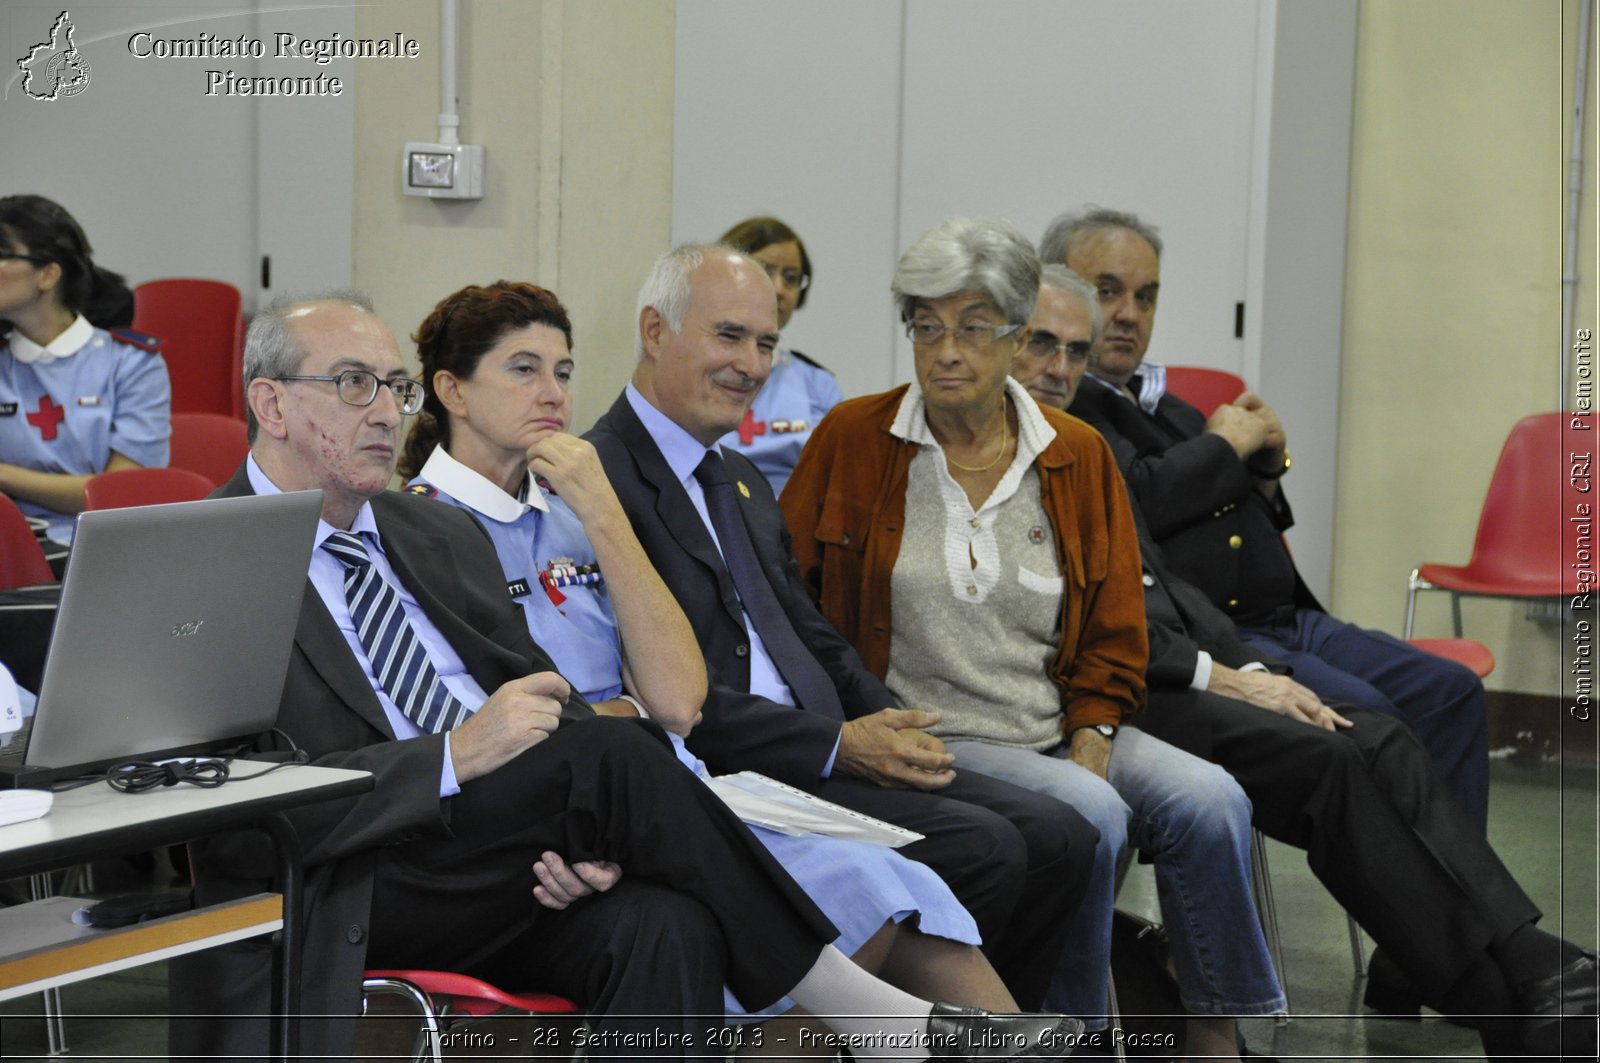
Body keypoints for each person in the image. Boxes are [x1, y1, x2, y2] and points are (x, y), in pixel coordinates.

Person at [173, 291, 1081, 1062]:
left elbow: (546, 700)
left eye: (393, 387)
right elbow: (232, 814)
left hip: (509, 842)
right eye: (353, 385)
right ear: (272, 403)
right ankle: (870, 1013)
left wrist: (585, 839)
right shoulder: (204, 562)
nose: (384, 410)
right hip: (365, 867)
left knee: (661, 920)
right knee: (621, 746)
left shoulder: (427, 536)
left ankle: (863, 1004)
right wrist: (451, 756)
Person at [1012, 266, 1599, 1060]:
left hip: (1206, 648)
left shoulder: (1091, 440)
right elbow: (1088, 620)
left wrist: (1256, 671)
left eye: (1072, 350)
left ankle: (1516, 967)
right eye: (1041, 343)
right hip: (1120, 689)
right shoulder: (1020, 449)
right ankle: (1513, 991)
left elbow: (1169, 585)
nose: (1060, 367)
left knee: (1377, 733)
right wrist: (1224, 675)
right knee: (1331, 755)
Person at [781, 225, 1284, 1062]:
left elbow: (1117, 625)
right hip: (938, 733)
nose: (947, 351)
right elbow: (788, 600)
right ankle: (1074, 1035)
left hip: (1058, 722)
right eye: (926, 326)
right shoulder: (854, 437)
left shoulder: (1075, 454)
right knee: (1090, 813)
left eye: (974, 327)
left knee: (1213, 800)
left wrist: (1094, 732)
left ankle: (1214, 1032)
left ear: (1015, 335)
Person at [587, 245, 1096, 1012]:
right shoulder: (599, 481)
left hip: (821, 750)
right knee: (989, 848)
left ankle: (979, 1033)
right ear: (654, 331)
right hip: (732, 773)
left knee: (1067, 835)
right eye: (729, 337)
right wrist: (838, 745)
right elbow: (672, 698)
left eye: (766, 344)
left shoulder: (740, 477)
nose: (752, 366)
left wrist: (881, 718)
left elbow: (806, 631)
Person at [1043, 206, 1491, 829]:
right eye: (1109, 291)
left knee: (1451, 692)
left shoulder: (1169, 407)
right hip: (1227, 637)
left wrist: (1264, 471)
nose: (1129, 315)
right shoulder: (1062, 409)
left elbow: (1233, 518)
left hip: (1291, 619)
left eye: (1146, 297)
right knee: (1370, 714)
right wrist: (1224, 447)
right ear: (1059, 292)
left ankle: (1462, 906)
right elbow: (1136, 503)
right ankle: (1439, 914)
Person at [0, 194, 169, 548]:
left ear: (48, 274)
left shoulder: (130, 361)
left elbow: (120, 494)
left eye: (2, 255)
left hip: (101, 551)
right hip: (10, 549)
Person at [715, 217, 843, 496]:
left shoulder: (818, 384)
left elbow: (841, 475)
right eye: (764, 271)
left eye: (791, 278)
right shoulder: (700, 371)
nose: (779, 289)